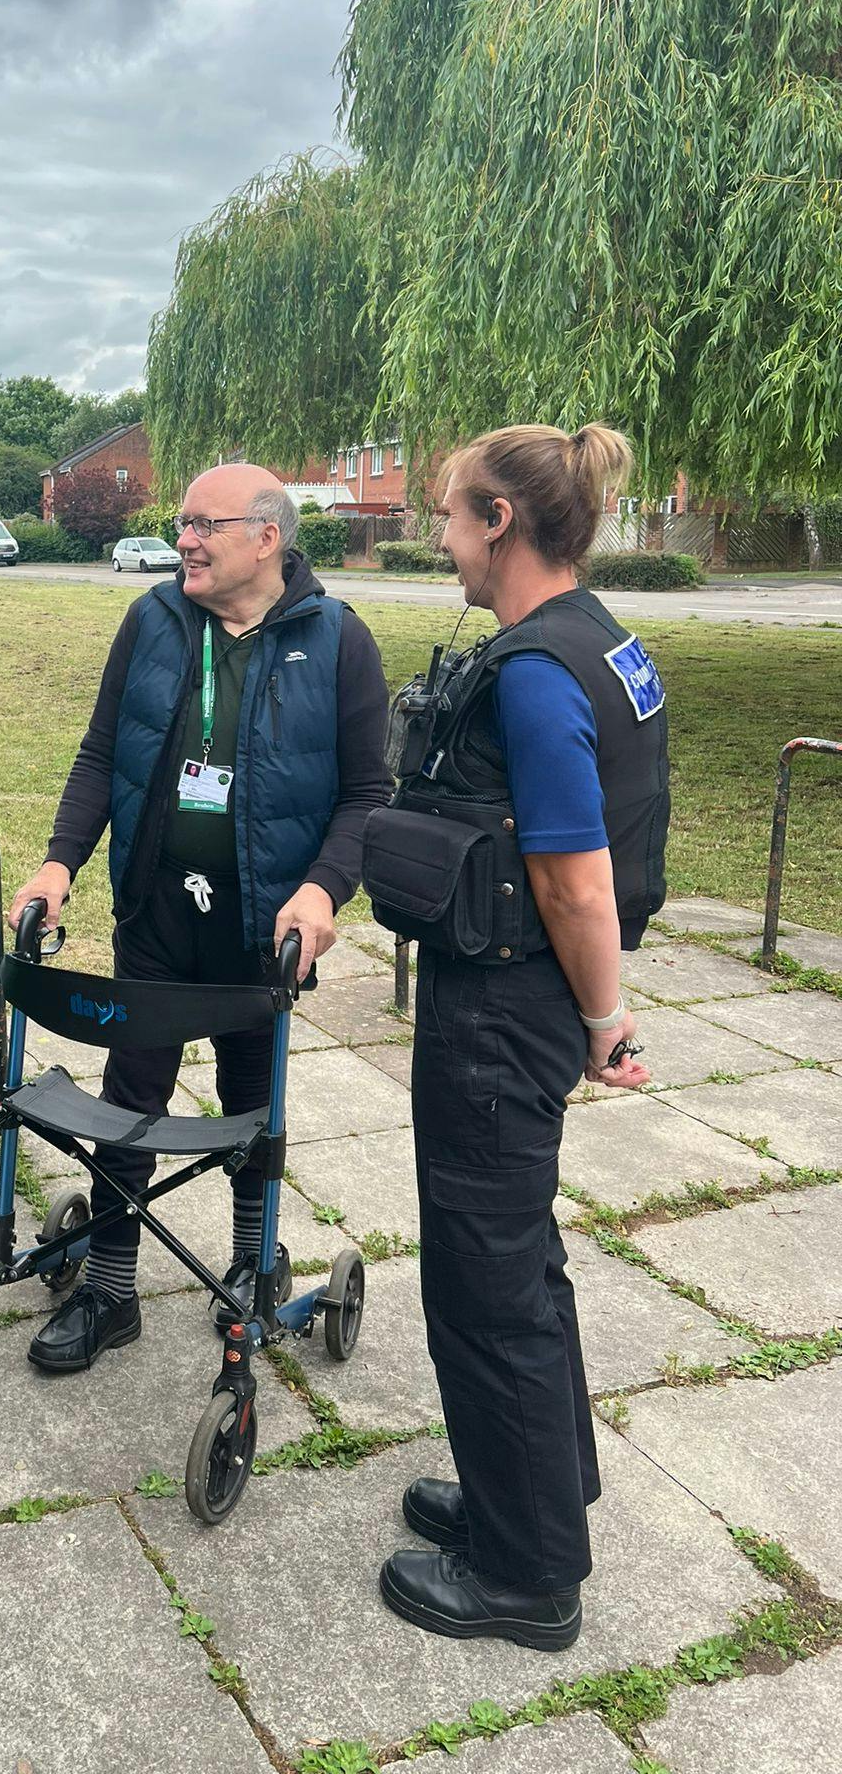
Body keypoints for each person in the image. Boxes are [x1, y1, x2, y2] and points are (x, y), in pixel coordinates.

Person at [363, 423, 668, 1653]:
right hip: (524, 995)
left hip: (505, 1004)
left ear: (500, 520)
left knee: (486, 1283)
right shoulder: (606, 639)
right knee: (519, 1257)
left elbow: (577, 876)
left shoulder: (537, 667)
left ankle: (528, 1572)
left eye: (447, 515)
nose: (438, 538)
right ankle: (533, 1488)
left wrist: (606, 1019)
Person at [10, 463, 392, 1373]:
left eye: (201, 523)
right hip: (156, 913)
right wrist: (61, 863)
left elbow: (369, 794)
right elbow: (103, 753)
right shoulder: (152, 620)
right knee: (128, 1095)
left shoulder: (338, 639)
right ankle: (109, 1289)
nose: (182, 538)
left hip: (263, 932)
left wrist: (323, 890)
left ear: (267, 537)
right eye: (180, 521)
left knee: (252, 1105)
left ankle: (253, 1264)